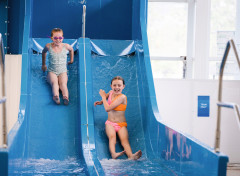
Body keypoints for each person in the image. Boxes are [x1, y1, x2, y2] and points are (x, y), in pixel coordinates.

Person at [94, 76, 142, 160]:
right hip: (110, 123)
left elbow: (107, 108)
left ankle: (131, 156)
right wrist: (101, 102)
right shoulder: (111, 92)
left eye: (119, 85)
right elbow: (106, 97)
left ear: (123, 86)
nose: (116, 87)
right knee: (112, 137)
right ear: (111, 86)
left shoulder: (122, 97)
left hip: (121, 124)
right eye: (114, 85)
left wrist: (102, 97)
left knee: (124, 141)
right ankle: (113, 154)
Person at [42, 28, 74, 105]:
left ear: (63, 38)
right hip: (52, 71)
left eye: (60, 38)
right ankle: (56, 96)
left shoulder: (65, 46)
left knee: (63, 84)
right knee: (54, 83)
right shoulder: (48, 46)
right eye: (55, 38)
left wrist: (71, 60)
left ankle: (65, 97)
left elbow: (71, 50)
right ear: (52, 38)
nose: (58, 40)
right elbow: (43, 52)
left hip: (62, 71)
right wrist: (43, 64)